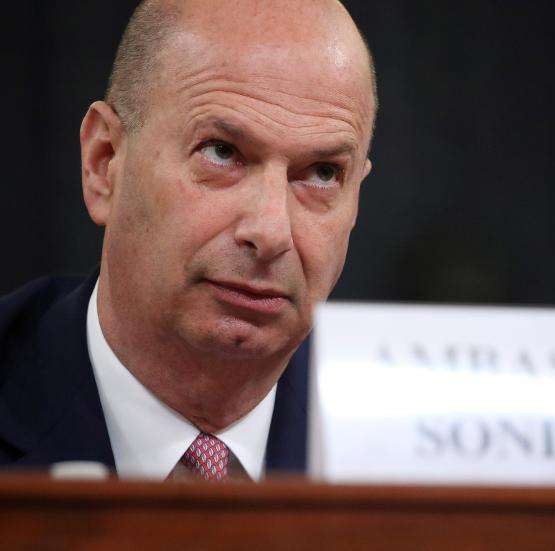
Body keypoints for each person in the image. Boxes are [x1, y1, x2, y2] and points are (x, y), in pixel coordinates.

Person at [0, 0, 376, 481]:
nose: (270, 232)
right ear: (104, 163)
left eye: (322, 173)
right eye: (222, 152)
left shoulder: (411, 436)